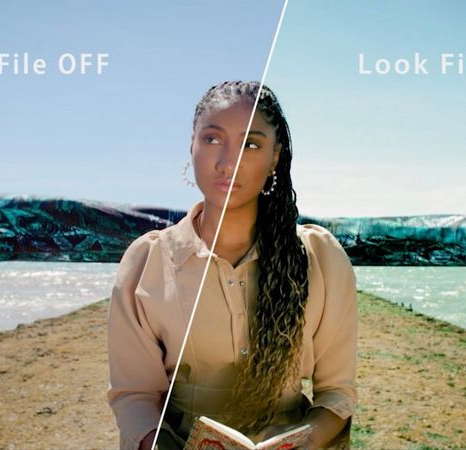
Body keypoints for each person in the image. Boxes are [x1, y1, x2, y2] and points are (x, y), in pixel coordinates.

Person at [107, 81, 357, 450]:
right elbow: (135, 398)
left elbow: (336, 395)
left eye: (251, 144)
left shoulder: (321, 258)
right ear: (191, 145)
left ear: (275, 157)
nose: (227, 163)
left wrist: (303, 444)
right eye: (211, 139)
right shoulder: (147, 262)